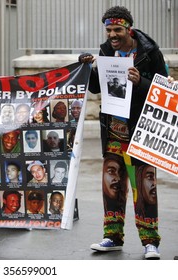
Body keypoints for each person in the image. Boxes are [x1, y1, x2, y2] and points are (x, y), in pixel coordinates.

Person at [79, 6, 167, 259]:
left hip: (142, 130)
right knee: (112, 185)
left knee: (145, 185)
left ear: (129, 28)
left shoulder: (150, 53)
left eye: (117, 29)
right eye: (108, 30)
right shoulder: (106, 50)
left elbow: (163, 91)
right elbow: (97, 88)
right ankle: (113, 237)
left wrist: (141, 82)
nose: (112, 34)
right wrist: (89, 68)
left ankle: (151, 242)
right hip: (114, 130)